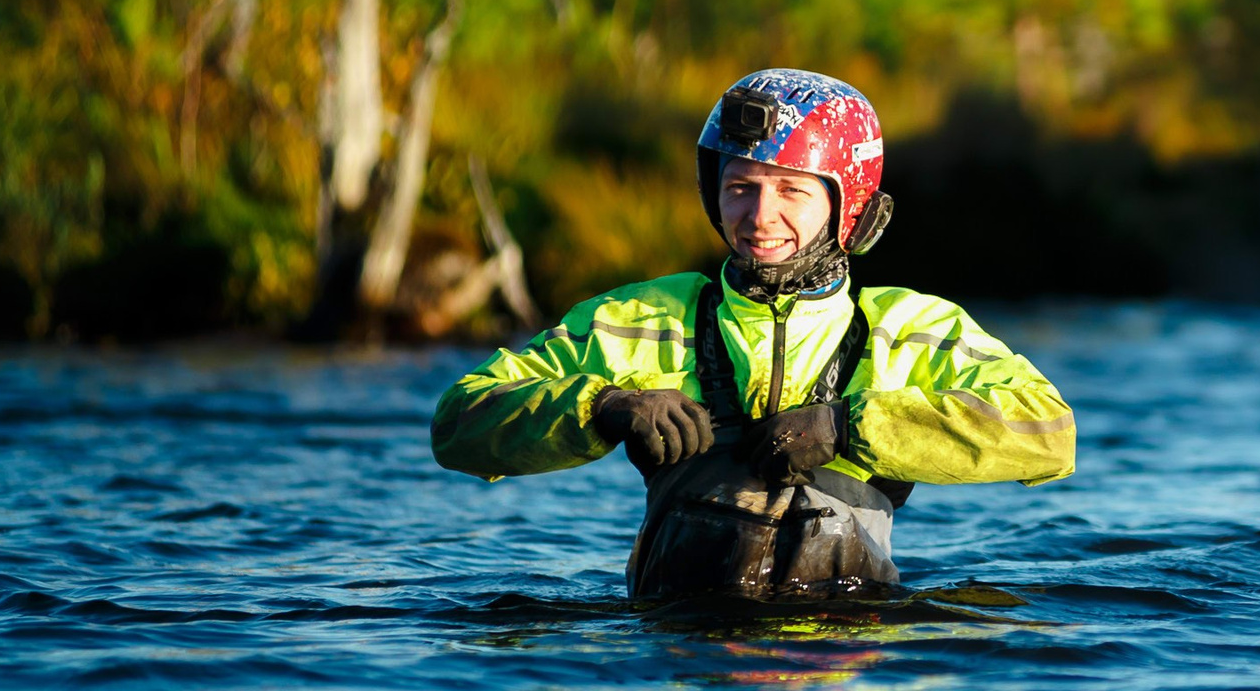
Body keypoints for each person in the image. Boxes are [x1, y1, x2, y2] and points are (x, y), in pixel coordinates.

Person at [430, 70, 1075, 601]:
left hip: (847, 653)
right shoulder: (642, 318)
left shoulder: (912, 330)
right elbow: (458, 424)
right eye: (740, 188)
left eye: (791, 191)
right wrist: (603, 408)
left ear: (849, 208)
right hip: (681, 662)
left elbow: (1050, 433)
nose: (759, 217)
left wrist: (851, 429)